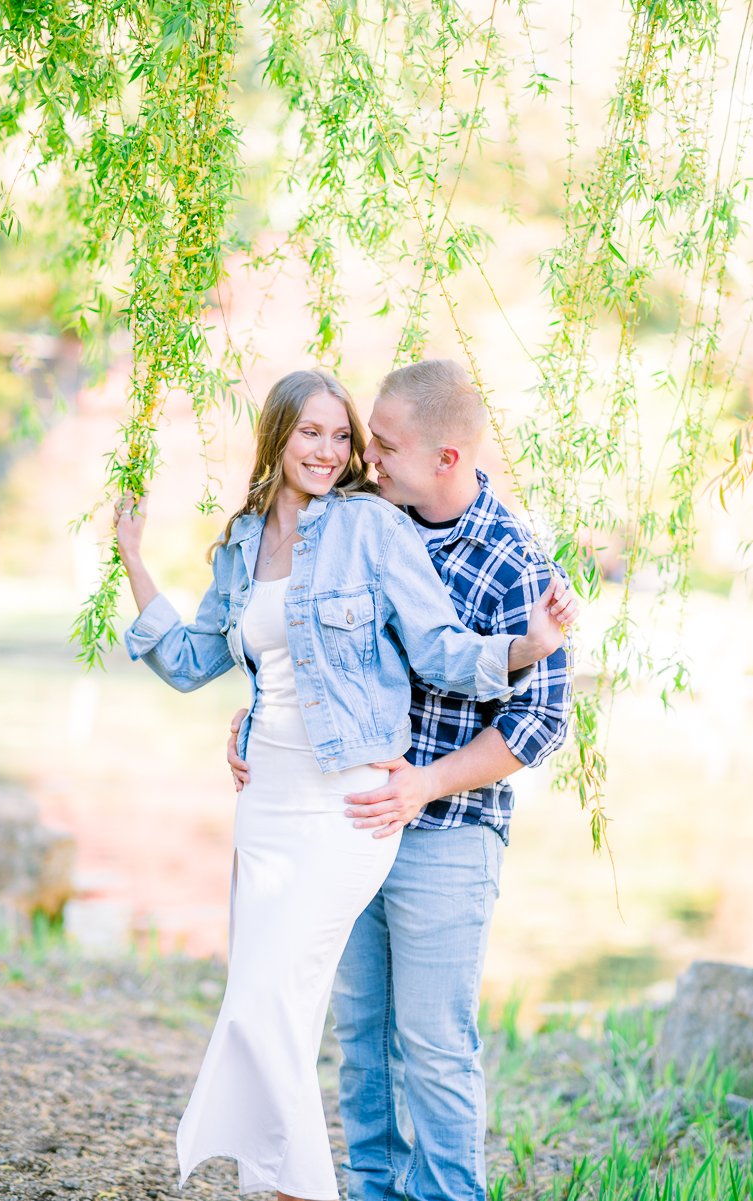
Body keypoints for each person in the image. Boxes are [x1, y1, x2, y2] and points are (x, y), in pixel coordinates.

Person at [117, 368, 576, 1201]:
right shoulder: (291, 530)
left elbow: (503, 696)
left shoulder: (453, 544)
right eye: (321, 434)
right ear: (277, 438)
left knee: (426, 1041)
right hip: (289, 803)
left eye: (362, 440)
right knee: (341, 1029)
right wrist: (137, 564)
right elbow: (227, 658)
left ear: (441, 455)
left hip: (417, 815)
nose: (352, 454)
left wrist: (525, 646)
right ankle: (354, 1187)